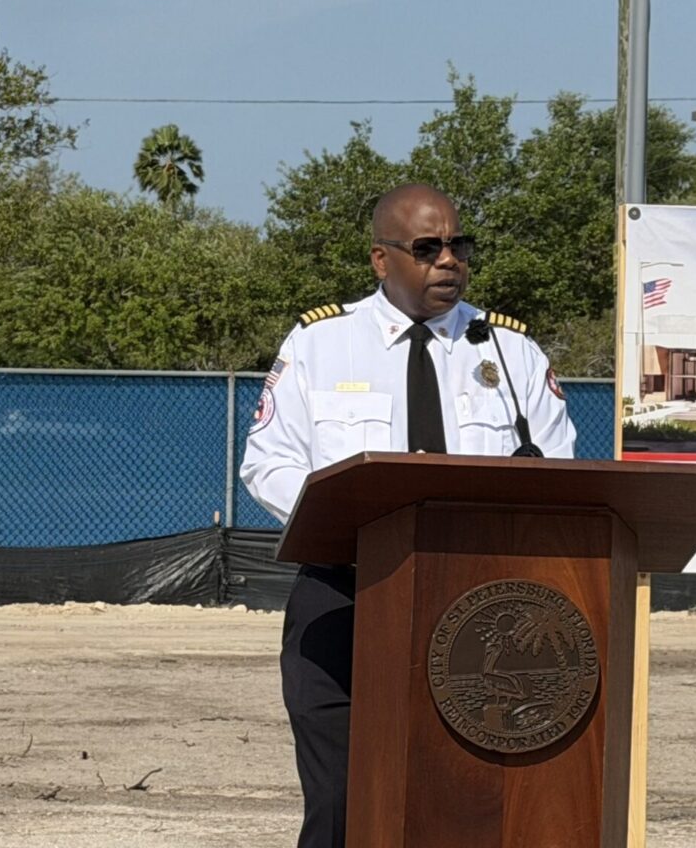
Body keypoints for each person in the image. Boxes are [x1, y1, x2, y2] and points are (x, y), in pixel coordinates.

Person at [239, 182, 576, 848]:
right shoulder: (320, 343)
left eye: (458, 245)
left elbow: (555, 468)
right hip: (347, 592)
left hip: (481, 604)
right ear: (381, 258)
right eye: (427, 248)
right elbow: (268, 462)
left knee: (464, 793)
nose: (449, 260)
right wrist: (353, 523)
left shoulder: (508, 352)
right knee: (342, 799)